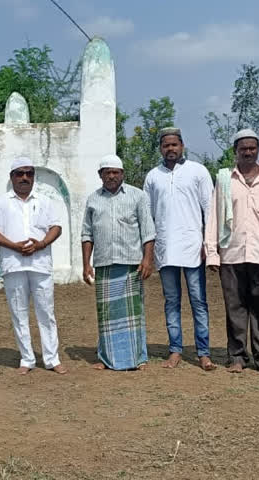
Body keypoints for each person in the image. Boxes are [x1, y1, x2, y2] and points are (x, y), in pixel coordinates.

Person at [204, 129, 259, 375]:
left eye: (252, 147)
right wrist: (212, 253)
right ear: (235, 151)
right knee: (235, 307)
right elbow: (214, 217)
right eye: (243, 148)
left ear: (258, 150)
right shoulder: (224, 180)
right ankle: (237, 357)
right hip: (231, 254)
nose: (247, 151)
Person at [0, 157, 67, 375]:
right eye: (20, 173)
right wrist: (13, 246)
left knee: (46, 313)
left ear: (33, 177)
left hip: (40, 264)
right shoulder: (0, 202)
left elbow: (56, 227)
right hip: (14, 264)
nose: (24, 178)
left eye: (29, 173)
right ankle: (27, 359)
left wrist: (41, 244)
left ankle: (52, 358)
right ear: (12, 177)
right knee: (19, 313)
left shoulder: (45, 200)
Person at [143, 127, 216, 371]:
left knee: (198, 301)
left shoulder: (198, 171)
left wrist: (209, 243)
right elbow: (148, 216)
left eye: (174, 144)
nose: (170, 149)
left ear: (182, 145)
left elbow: (210, 210)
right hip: (166, 249)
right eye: (166, 145)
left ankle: (203, 353)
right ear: (161, 149)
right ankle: (175, 350)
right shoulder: (153, 176)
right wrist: (150, 252)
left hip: (194, 248)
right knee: (171, 301)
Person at [81, 154, 156, 371]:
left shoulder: (138, 196)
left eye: (115, 172)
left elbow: (148, 232)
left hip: (131, 263)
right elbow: (87, 234)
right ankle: (106, 358)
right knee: (107, 315)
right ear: (100, 175)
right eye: (107, 172)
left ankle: (138, 358)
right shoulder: (93, 199)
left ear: (122, 174)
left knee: (133, 312)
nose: (111, 176)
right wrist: (86, 264)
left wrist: (147, 259)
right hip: (104, 264)